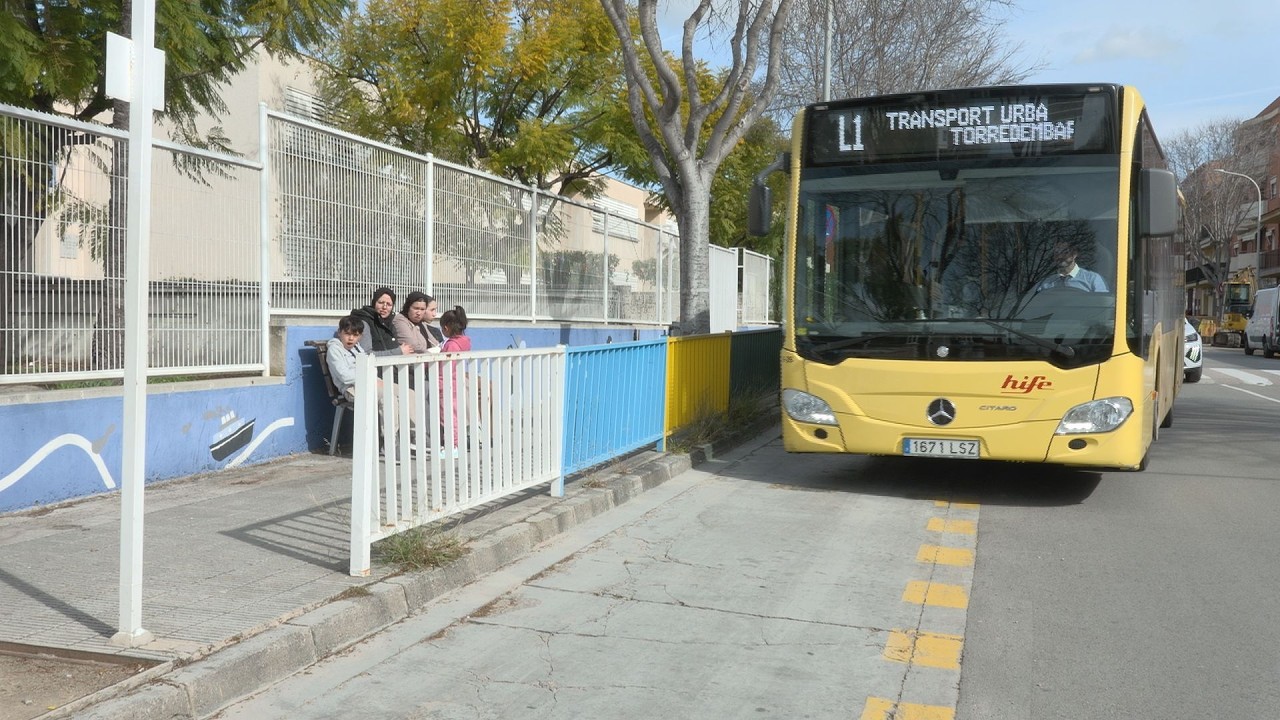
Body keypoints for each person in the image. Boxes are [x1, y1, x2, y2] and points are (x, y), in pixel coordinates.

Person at [349, 287, 413, 357]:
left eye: (389, 304)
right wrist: (398, 351)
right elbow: (366, 355)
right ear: (374, 303)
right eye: (381, 302)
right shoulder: (364, 322)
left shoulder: (390, 323)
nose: (384, 307)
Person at [1031, 242, 1108, 294]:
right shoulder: (1044, 284)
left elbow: (1103, 306)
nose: (1060, 256)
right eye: (1057, 253)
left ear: (1074, 254)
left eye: (1065, 252)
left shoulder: (1092, 279)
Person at [325, 315, 367, 402]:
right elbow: (345, 377)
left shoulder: (358, 348)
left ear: (360, 336)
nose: (351, 338)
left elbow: (368, 365)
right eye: (347, 334)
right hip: (350, 389)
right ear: (339, 332)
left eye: (355, 335)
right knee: (386, 396)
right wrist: (369, 377)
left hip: (367, 382)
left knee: (398, 391)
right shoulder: (334, 350)